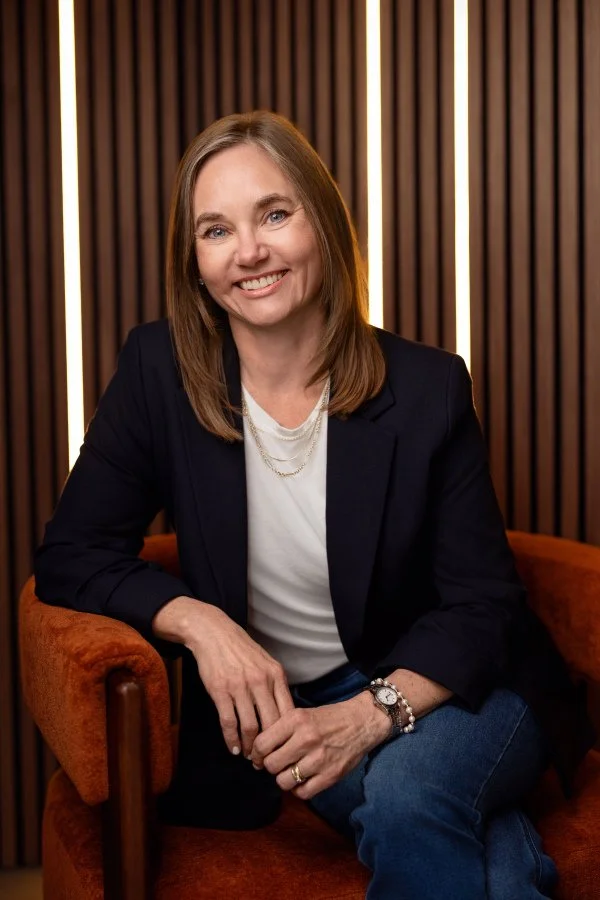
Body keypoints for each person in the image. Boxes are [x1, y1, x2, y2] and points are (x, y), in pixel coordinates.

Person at [35, 111, 594, 899]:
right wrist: (201, 621)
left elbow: (485, 604)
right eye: (216, 230)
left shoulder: (428, 387)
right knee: (489, 866)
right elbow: (70, 555)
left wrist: (371, 713)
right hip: (280, 712)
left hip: (457, 684)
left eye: (274, 213)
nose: (250, 251)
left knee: (408, 794)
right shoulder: (156, 375)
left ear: (323, 225)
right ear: (195, 264)